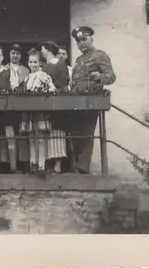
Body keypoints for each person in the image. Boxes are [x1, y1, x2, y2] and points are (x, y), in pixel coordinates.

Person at [70, 26, 116, 174]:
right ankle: (76, 164)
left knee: (87, 134)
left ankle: (83, 168)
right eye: (78, 41)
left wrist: (99, 77)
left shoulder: (99, 56)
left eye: (84, 39)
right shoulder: (78, 60)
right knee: (75, 134)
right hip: (76, 101)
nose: (81, 43)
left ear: (91, 39)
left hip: (91, 101)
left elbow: (111, 77)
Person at [19, 49, 56, 173]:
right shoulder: (27, 78)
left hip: (40, 110)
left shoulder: (43, 75)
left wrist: (43, 95)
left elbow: (52, 89)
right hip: (30, 112)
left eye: (35, 62)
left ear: (40, 63)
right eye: (31, 62)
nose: (33, 65)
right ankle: (32, 164)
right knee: (31, 138)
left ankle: (41, 165)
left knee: (40, 138)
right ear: (28, 63)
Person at [39, 41, 70, 174]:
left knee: (57, 131)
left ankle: (58, 164)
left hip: (57, 101)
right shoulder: (45, 66)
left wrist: (53, 89)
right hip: (45, 103)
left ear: (48, 50)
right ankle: (48, 163)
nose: (41, 52)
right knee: (47, 131)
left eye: (43, 49)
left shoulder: (60, 63)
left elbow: (64, 81)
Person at [5, 43, 31, 171]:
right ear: (9, 54)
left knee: (22, 134)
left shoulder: (26, 70)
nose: (15, 55)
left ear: (21, 56)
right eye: (13, 53)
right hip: (9, 106)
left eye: (18, 53)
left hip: (22, 106)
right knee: (9, 135)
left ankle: (24, 163)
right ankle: (10, 164)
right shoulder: (4, 69)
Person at [57, 45, 75, 172]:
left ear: (67, 56)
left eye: (63, 53)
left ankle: (71, 165)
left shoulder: (71, 70)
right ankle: (56, 165)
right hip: (56, 105)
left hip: (68, 105)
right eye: (59, 53)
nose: (61, 56)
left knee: (70, 136)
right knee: (57, 136)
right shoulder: (53, 68)